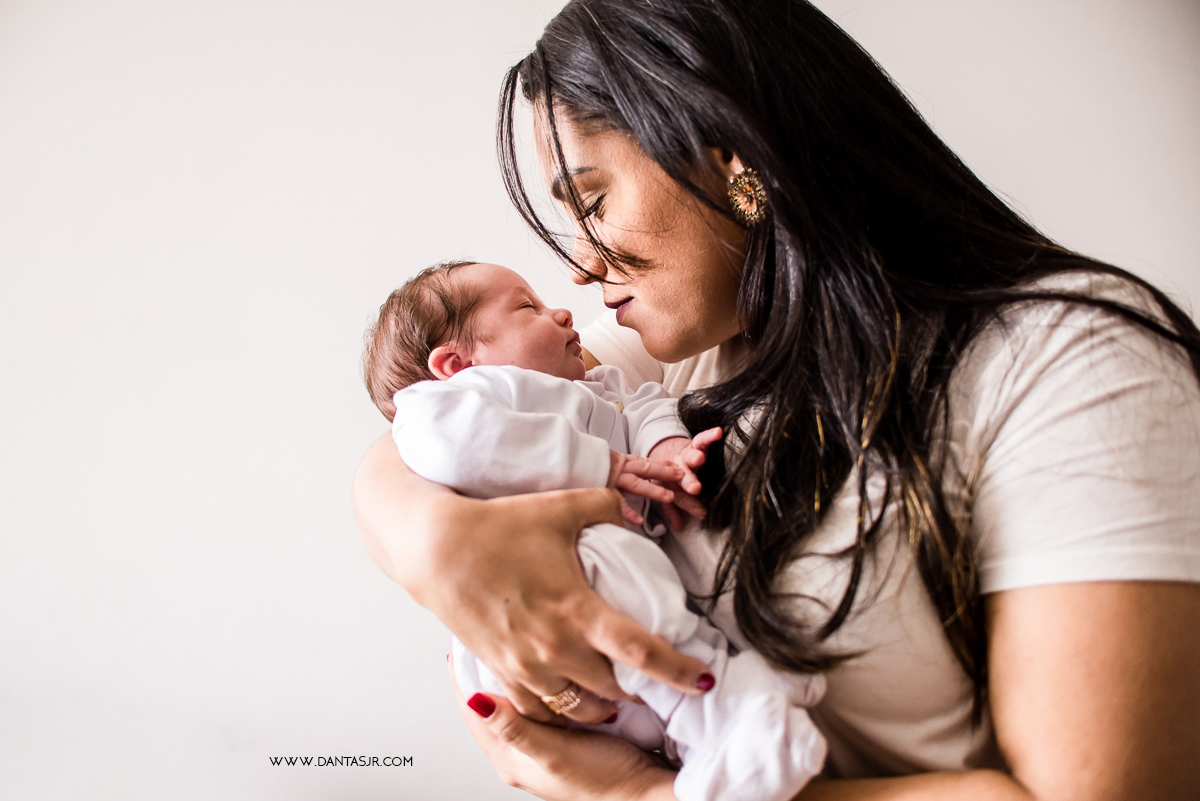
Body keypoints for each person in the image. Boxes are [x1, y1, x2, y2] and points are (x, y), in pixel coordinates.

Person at [353, 1, 1200, 799]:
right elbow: (422, 425)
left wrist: (639, 792)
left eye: (595, 201)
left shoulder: (1071, 362)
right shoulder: (671, 360)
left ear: (732, 155)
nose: (579, 266)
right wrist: (441, 546)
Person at [362, 259, 827, 801]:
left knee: (649, 601)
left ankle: (723, 732)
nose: (561, 311)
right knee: (633, 589)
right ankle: (731, 719)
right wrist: (599, 464)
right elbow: (445, 442)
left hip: (594, 622)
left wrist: (666, 449)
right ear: (456, 365)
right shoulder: (461, 400)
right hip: (544, 598)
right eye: (527, 307)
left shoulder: (599, 383)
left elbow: (646, 406)